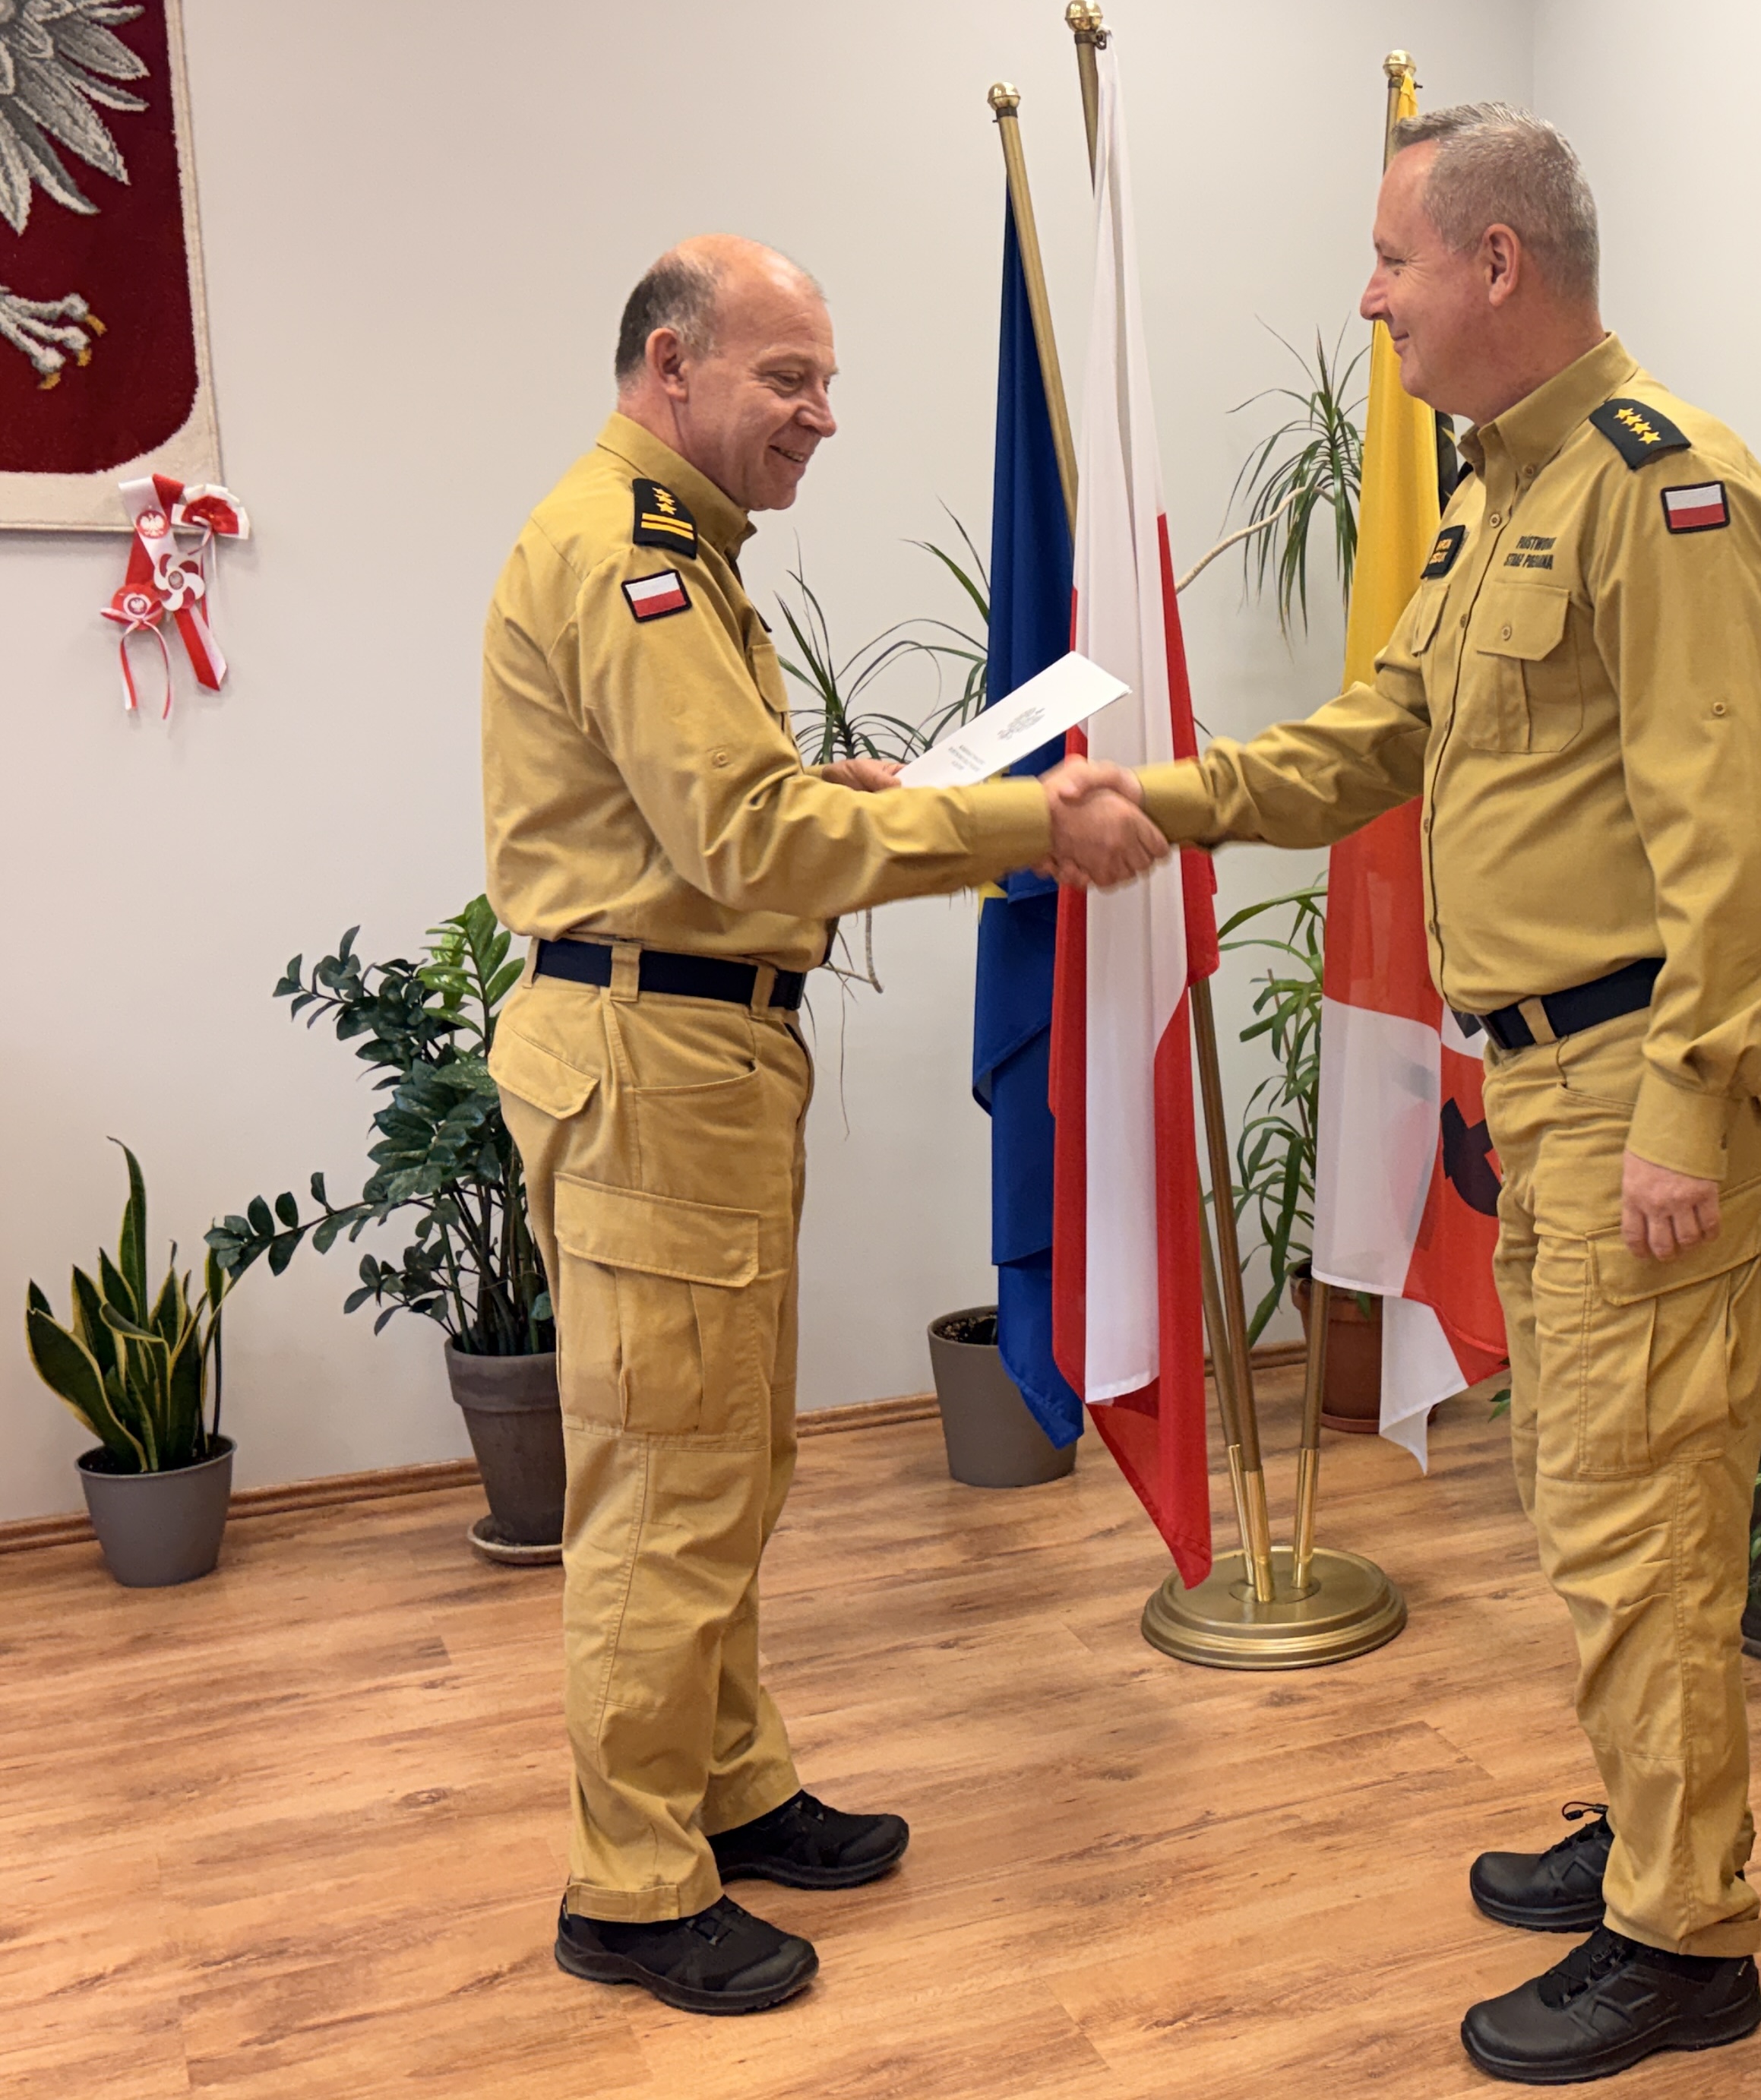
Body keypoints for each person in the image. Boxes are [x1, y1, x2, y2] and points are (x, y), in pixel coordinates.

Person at [1051, 104, 1761, 2083]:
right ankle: (1648, 1829)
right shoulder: (1504, 496)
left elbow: (1732, 850)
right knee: (1585, 1491)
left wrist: (1679, 1116)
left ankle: (1686, 1934)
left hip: (1652, 1073)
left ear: (1495, 262)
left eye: (1392, 257)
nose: (1369, 297)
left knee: (1644, 1520)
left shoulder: (1665, 491)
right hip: (1550, 1076)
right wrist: (1166, 802)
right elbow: (1377, 733)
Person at [480, 235, 1164, 2016]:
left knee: (724, 1456)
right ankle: (634, 1882)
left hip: (688, 1057)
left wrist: (835, 788)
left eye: (824, 379)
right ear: (671, 364)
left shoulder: (680, 550)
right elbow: (748, 845)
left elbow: (719, 810)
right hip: (652, 1059)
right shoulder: (630, 558)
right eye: (788, 378)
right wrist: (1021, 826)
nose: (821, 415)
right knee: (666, 1479)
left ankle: (725, 1782)